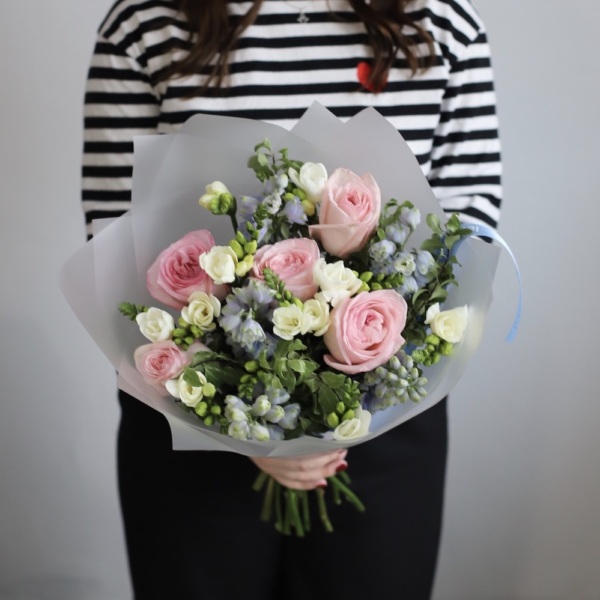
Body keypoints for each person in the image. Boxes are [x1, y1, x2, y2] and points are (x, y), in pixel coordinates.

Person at [82, 0, 501, 598]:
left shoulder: (441, 22)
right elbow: (109, 239)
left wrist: (348, 410)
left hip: (384, 430)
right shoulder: (147, 22)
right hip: (192, 422)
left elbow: (472, 234)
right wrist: (250, 432)